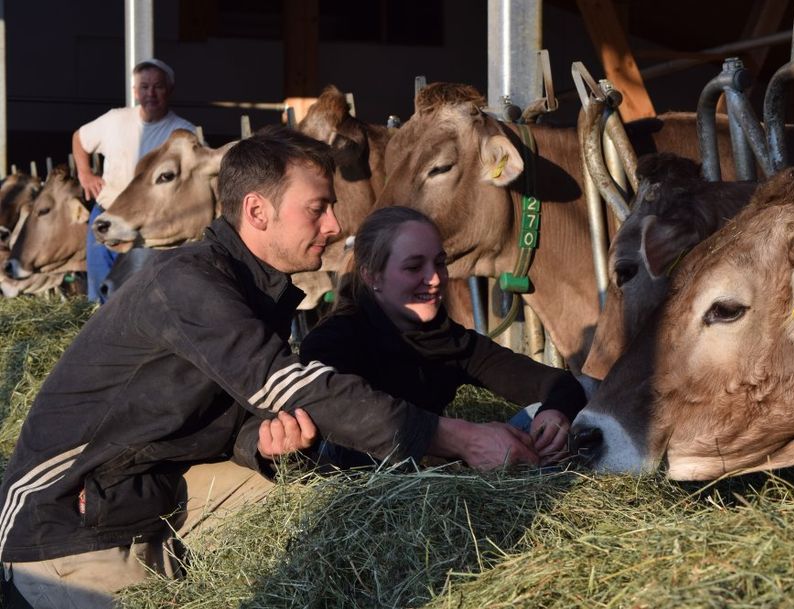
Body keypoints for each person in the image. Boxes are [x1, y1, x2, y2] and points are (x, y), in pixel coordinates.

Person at [0, 127, 442, 608]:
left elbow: (232, 418)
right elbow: (285, 384)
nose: (335, 225)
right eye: (318, 208)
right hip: (67, 526)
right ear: (257, 211)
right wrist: (444, 436)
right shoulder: (188, 282)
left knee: (321, 498)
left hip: (149, 490)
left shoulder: (259, 290)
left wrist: (266, 445)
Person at [298, 206, 587, 471]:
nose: (435, 279)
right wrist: (457, 445)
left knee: (547, 418)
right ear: (373, 276)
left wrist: (553, 416)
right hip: (371, 497)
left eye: (439, 263)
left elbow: (558, 383)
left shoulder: (448, 339)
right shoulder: (332, 342)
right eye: (414, 267)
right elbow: (344, 428)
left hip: (447, 490)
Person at [72, 58, 196, 302]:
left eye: (158, 86)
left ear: (169, 90)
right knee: (99, 288)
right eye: (144, 86)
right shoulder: (115, 119)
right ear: (135, 91)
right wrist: (84, 173)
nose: (151, 93)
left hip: (150, 224)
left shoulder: (183, 132)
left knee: (136, 293)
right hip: (107, 211)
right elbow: (80, 137)